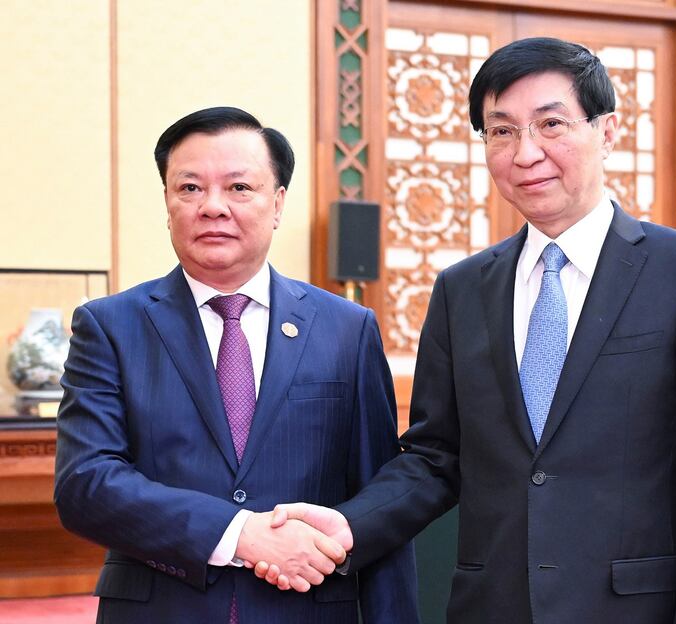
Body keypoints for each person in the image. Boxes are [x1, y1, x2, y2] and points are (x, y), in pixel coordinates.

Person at [263, 38, 676, 623]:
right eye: (501, 132)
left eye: (551, 124)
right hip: (491, 606)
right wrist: (348, 525)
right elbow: (434, 456)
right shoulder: (462, 289)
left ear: (608, 131)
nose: (526, 153)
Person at [54, 106, 419, 624]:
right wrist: (237, 533)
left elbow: (378, 503)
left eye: (239, 188)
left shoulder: (347, 328)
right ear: (167, 203)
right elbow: (85, 484)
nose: (213, 207)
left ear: (277, 203)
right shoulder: (110, 326)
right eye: (190, 188)